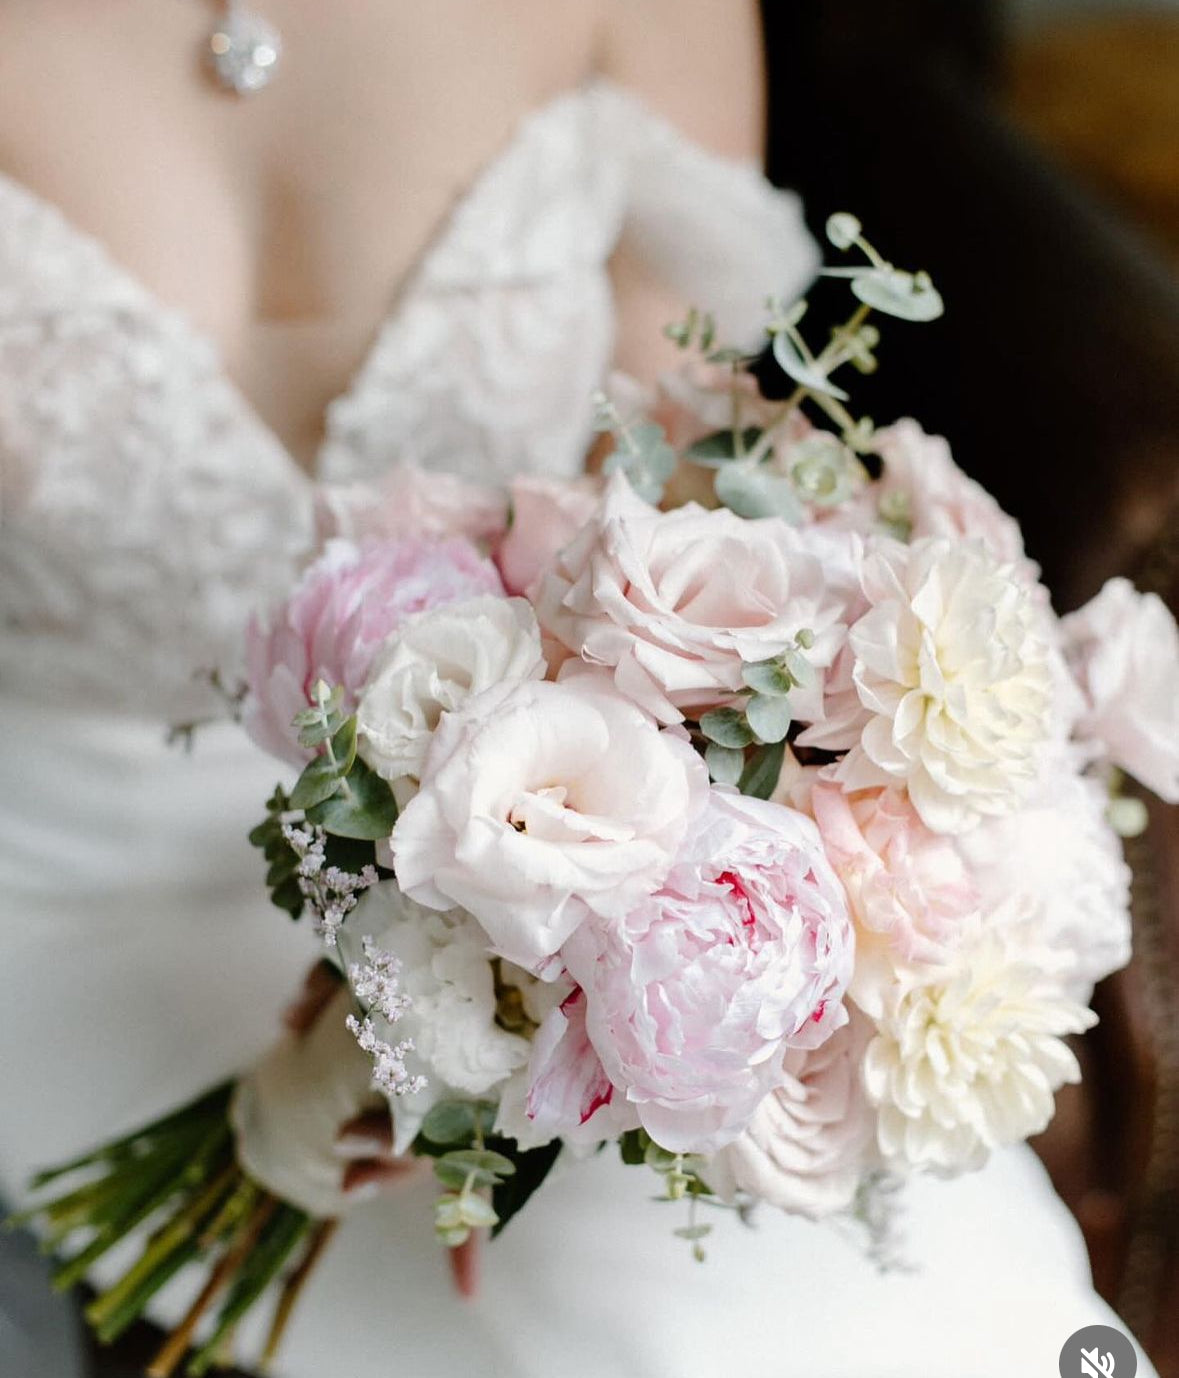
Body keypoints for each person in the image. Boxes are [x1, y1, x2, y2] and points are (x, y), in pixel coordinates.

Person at [0, 3, 1157, 1374]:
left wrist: (739, 782)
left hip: (551, 848)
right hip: (62, 887)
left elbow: (701, 451)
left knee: (838, 1323)